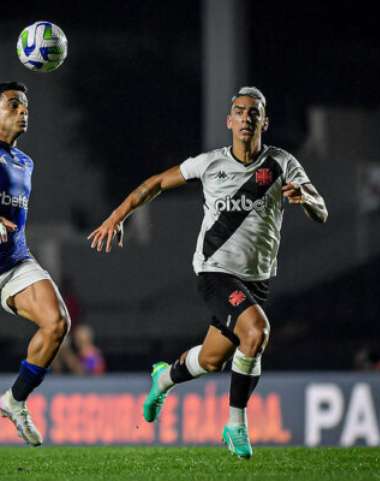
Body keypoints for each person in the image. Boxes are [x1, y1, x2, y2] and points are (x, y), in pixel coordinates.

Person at [89, 86, 328, 458]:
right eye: (240, 111)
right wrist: (117, 216)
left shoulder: (281, 163)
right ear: (228, 121)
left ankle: (163, 378)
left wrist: (307, 198)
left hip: (256, 280)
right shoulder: (210, 164)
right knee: (257, 331)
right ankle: (235, 425)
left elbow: (322, 210)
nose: (246, 118)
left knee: (213, 359)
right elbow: (154, 183)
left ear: (265, 121)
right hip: (214, 272)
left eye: (254, 112)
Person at [0, 82, 70, 446]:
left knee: (57, 322)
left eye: (25, 106)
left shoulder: (25, 162)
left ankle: (15, 400)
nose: (23, 111)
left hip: (13, 263)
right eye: (13, 105)